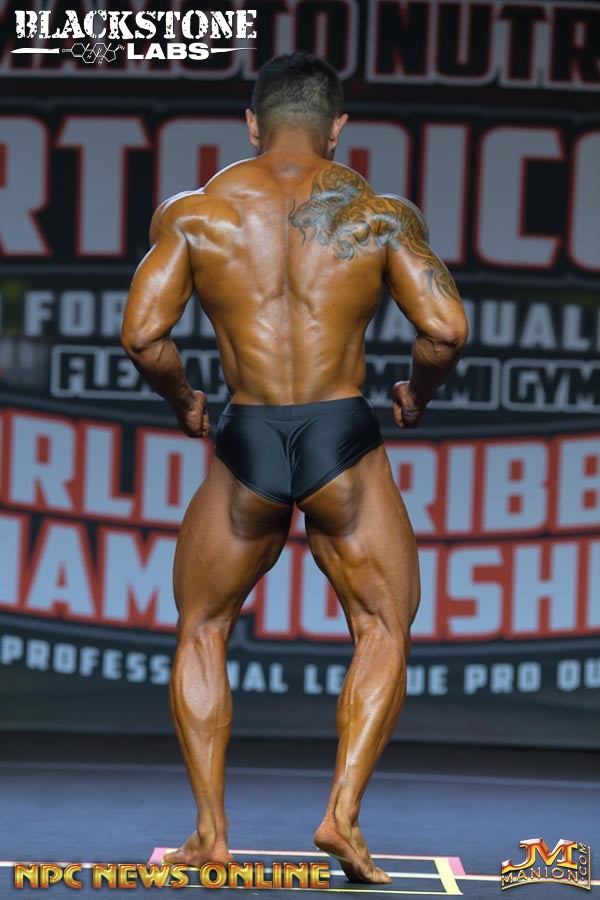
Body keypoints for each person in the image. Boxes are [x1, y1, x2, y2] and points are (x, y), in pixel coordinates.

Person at [121, 51, 468, 884]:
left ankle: (210, 834)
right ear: (338, 127)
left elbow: (142, 335)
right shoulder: (377, 214)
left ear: (252, 123)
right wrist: (416, 394)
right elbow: (445, 329)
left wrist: (185, 402)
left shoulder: (195, 214)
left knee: (202, 628)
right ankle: (340, 817)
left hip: (246, 436)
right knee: (382, 626)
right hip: (340, 434)